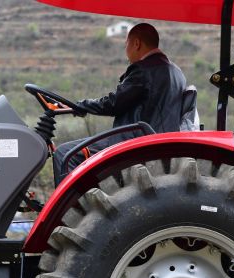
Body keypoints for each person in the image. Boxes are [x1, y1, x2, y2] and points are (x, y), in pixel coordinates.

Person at [53, 23, 187, 185]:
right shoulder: (177, 73)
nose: (126, 50)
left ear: (136, 44)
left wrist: (81, 106)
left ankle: (75, 209)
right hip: (160, 141)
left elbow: (114, 103)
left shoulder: (144, 70)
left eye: (127, 44)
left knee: (65, 154)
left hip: (135, 142)